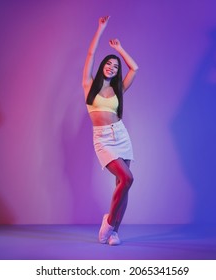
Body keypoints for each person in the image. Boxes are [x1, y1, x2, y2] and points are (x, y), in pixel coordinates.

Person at [82, 16, 139, 246]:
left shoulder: (119, 90)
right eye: (109, 64)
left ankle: (114, 232)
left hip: (121, 136)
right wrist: (100, 29)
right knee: (127, 178)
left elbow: (135, 68)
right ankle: (108, 223)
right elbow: (90, 55)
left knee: (122, 185)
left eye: (116, 67)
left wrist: (120, 49)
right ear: (103, 65)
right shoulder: (89, 85)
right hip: (103, 140)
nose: (112, 68)